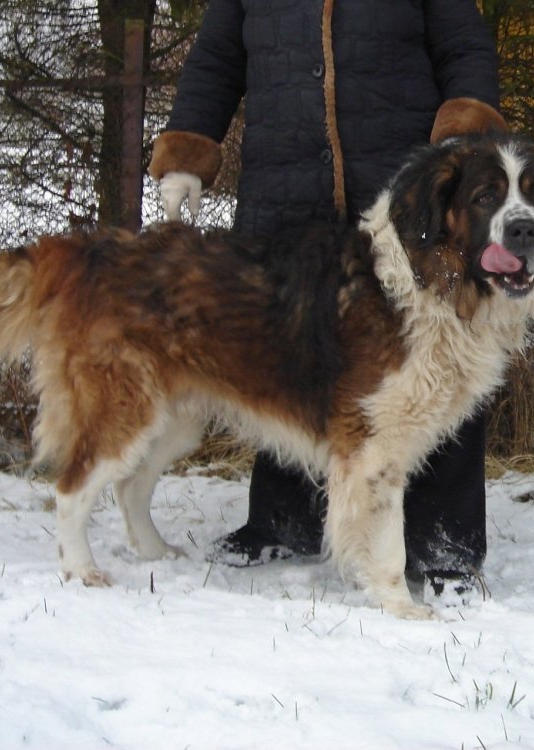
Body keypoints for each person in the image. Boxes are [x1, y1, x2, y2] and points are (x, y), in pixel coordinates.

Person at [148, 0, 501, 597]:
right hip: (283, 194)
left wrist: (462, 146)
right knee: (286, 361)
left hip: (404, 195)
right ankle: (283, 521)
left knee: (436, 367)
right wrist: (188, 153)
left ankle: (446, 543)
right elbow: (216, 59)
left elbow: (464, 47)